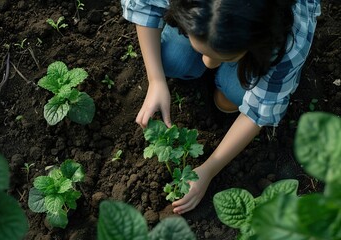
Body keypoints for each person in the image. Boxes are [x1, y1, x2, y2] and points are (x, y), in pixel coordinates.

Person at [120, 0, 321, 214]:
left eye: (226, 57)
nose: (208, 63)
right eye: (190, 35)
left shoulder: (289, 39)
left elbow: (259, 109)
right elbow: (145, 4)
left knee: (234, 92)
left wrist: (208, 169)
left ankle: (229, 75)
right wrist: (156, 79)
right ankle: (214, 48)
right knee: (172, 61)